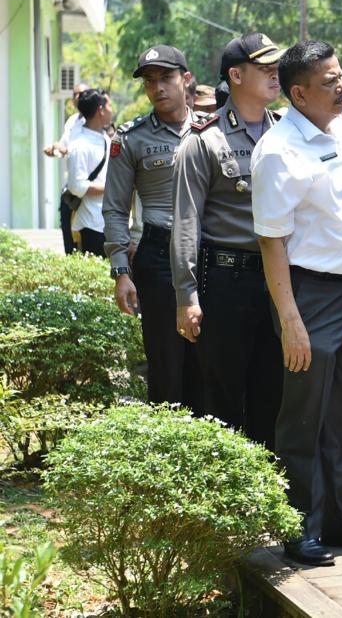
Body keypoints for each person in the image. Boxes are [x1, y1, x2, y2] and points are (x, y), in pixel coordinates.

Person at [252, 40, 342, 567]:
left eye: (341, 77)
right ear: (298, 93)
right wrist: (290, 320)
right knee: (303, 419)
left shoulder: (338, 130)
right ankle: (300, 526)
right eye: (330, 81)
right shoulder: (279, 152)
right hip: (309, 295)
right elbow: (271, 242)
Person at [171, 32, 287, 449]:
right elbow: (186, 222)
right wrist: (186, 296)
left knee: (273, 395)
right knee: (223, 398)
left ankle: (268, 486)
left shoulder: (288, 132)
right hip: (226, 281)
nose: (275, 74)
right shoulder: (204, 139)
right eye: (264, 67)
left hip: (281, 282)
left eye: (277, 66)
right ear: (235, 76)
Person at [103, 45, 202, 408]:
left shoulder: (212, 130)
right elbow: (115, 209)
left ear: (185, 79)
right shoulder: (131, 138)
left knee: (213, 363)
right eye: (149, 81)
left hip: (212, 253)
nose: (158, 88)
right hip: (159, 257)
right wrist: (121, 272)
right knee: (166, 364)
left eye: (166, 78)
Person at [66, 89, 113, 256]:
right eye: (109, 105)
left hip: (107, 221)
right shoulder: (79, 145)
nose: (111, 110)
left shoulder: (105, 138)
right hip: (91, 224)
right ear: (100, 110)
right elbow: (76, 186)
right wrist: (111, 188)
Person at [47, 82, 91, 255]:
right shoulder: (72, 121)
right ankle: (70, 258)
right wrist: (55, 148)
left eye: (82, 94)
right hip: (74, 184)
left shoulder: (95, 119)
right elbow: (64, 144)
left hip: (92, 184)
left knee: (89, 231)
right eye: (75, 94)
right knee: (66, 220)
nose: (78, 97)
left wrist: (68, 150)